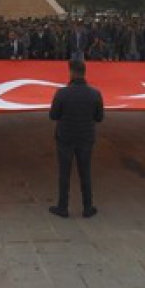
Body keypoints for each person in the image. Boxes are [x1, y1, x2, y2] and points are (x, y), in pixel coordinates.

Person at [48, 60, 104, 219]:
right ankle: (88, 207)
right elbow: (99, 117)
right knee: (85, 172)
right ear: (84, 73)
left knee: (64, 173)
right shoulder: (95, 93)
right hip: (85, 137)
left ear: (71, 72)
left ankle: (62, 206)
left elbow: (53, 115)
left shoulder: (62, 93)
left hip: (65, 137)